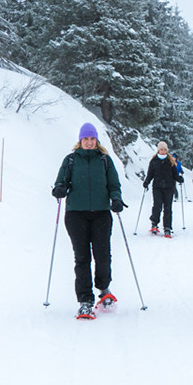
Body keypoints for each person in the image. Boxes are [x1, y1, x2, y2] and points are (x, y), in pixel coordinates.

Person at [52, 122, 124, 320]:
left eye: (92, 139)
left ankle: (104, 289)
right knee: (82, 257)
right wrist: (59, 189)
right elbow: (61, 181)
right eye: (86, 139)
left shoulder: (105, 160)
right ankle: (85, 300)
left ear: (97, 140)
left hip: (101, 213)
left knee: (102, 254)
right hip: (76, 214)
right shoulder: (71, 160)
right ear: (80, 140)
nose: (89, 142)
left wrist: (116, 199)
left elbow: (114, 184)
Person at [143, 141, 183, 237]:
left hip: (169, 187)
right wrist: (146, 182)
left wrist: (179, 179)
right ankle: (154, 224)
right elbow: (150, 174)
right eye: (161, 149)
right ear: (158, 150)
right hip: (157, 187)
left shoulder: (171, 161)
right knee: (157, 206)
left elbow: (174, 174)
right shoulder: (154, 161)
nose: (163, 151)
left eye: (165, 150)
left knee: (168, 207)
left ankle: (167, 227)